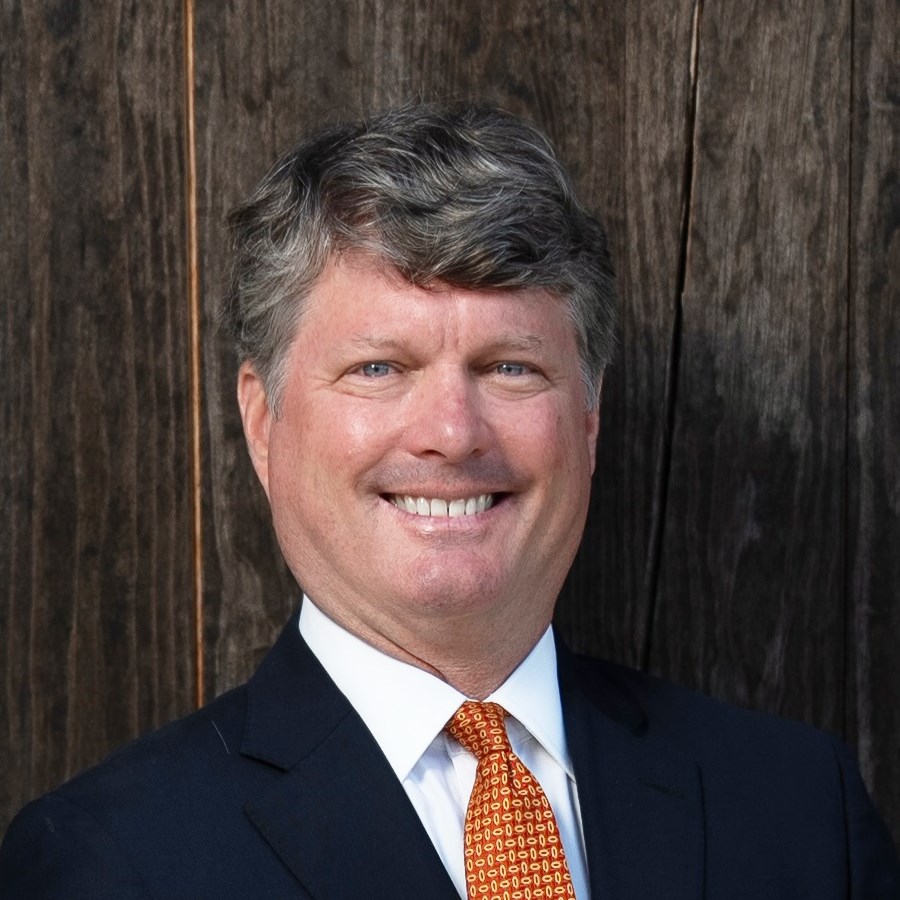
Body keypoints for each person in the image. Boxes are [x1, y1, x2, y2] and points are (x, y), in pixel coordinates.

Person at [0, 102, 897, 899]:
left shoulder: (798, 808)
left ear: (588, 422)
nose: (453, 433)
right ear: (264, 424)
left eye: (510, 367)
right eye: (379, 367)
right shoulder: (106, 861)